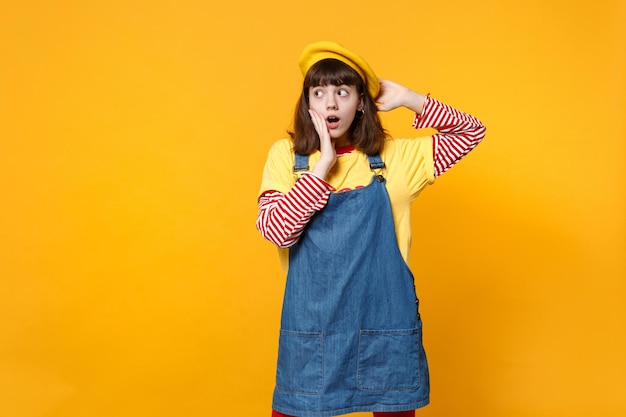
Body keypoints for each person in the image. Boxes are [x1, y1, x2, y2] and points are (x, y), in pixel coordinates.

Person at [256, 41, 486, 417]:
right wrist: (320, 168)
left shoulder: (395, 159)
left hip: (385, 330)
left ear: (361, 102)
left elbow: (470, 132)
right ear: (308, 103)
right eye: (319, 93)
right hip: (314, 334)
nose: (330, 104)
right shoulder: (287, 158)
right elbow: (277, 231)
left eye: (342, 92)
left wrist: (412, 99)